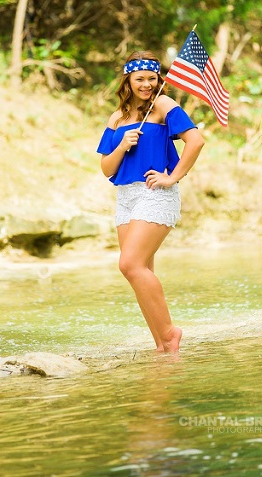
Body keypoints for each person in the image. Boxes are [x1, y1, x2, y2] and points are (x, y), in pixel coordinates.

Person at [96, 51, 205, 353]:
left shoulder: (162, 105)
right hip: (126, 199)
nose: (146, 84)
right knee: (141, 271)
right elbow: (107, 168)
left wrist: (172, 178)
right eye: (139, 78)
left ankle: (170, 333)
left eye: (152, 78)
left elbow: (195, 140)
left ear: (159, 80)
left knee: (129, 265)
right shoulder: (117, 118)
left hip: (155, 193)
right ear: (128, 80)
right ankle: (162, 345)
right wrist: (121, 144)